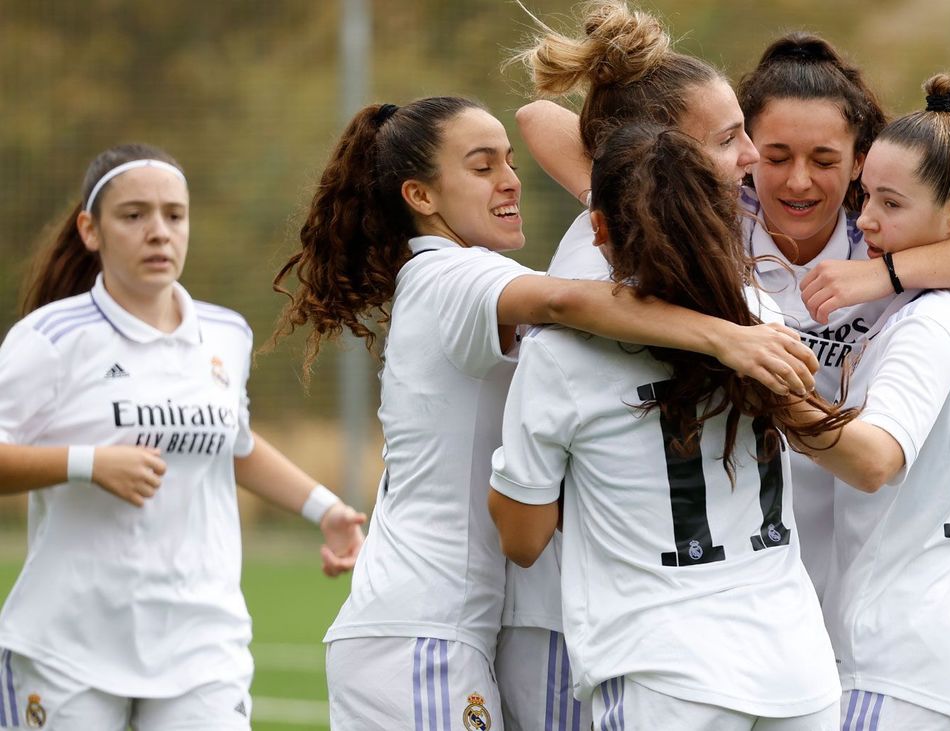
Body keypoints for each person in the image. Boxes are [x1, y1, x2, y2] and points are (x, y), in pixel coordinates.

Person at [270, 96, 819, 730]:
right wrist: (724, 334)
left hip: (457, 623)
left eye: (508, 161)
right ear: (420, 197)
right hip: (422, 622)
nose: (510, 179)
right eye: (481, 167)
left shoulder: (467, 277)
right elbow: (564, 300)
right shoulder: (446, 275)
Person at [514, 10, 950, 601]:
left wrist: (881, 274)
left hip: (840, 559)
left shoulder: (887, 229)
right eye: (777, 156)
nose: (798, 182)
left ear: (860, 158)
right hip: (726, 561)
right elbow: (538, 117)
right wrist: (631, 193)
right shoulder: (711, 220)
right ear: (745, 147)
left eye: (825, 160)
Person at [488, 120, 891, 731]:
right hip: (795, 669)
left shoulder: (560, 355)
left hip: (664, 674)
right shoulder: (758, 315)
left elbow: (523, 540)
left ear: (599, 229)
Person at [0, 143, 366, 730]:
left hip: (201, 643)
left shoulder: (226, 333)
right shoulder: (49, 338)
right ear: (90, 231)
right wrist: (87, 463)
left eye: (174, 214)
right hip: (68, 647)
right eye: (133, 215)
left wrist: (325, 509)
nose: (158, 232)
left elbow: (235, 445)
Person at [820, 75, 950, 730]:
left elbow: (875, 460)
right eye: (865, 197)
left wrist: (780, 394)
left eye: (891, 202)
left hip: (902, 668)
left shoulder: (929, 324)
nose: (866, 219)